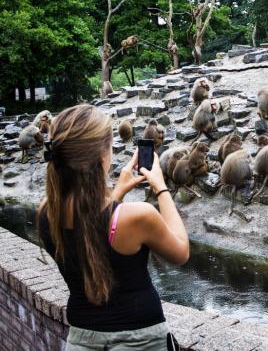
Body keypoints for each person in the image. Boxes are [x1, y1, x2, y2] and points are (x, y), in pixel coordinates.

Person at [37, 104, 189, 350]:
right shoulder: (138, 216)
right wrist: (161, 188)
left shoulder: (47, 211)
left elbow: (93, 226)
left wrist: (118, 190)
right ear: (102, 156)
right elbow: (181, 252)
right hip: (141, 341)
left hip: (81, 340)